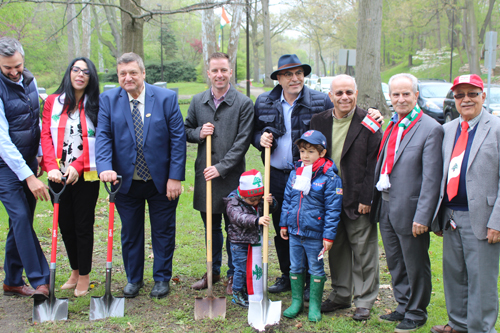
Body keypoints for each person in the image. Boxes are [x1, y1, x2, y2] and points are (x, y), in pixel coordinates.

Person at [96, 52, 186, 299]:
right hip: (125, 182)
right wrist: (104, 165)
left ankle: (161, 278)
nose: (128, 78)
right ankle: (133, 279)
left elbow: (178, 139)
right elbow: (103, 135)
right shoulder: (108, 100)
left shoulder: (166, 98)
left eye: (133, 72)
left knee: (163, 231)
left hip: (162, 182)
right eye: (123, 73)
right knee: (130, 233)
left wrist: (175, 177)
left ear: (143, 74)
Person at [252, 54, 334, 294]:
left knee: (306, 227)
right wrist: (260, 139)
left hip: (307, 175)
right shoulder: (264, 101)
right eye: (288, 74)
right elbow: (255, 132)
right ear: (279, 78)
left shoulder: (320, 101)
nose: (295, 78)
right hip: (276, 174)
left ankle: (310, 278)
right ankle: (288, 274)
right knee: (282, 226)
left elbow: (338, 124)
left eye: (299, 73)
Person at [370, 73, 443, 332]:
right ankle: (402, 304)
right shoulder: (392, 124)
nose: (400, 99)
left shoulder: (430, 128)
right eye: (396, 94)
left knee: (415, 263)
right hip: (387, 205)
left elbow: (432, 178)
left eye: (406, 94)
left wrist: (423, 216)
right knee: (395, 261)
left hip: (412, 209)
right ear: (390, 97)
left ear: (416, 95)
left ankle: (417, 311)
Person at [431, 74, 500, 333]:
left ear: (483, 96)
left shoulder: (496, 128)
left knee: (481, 279)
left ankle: (481, 329)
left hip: (482, 216)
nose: (466, 99)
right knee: (454, 274)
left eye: (472, 93)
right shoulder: (448, 129)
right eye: (460, 95)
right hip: (451, 215)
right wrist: (438, 215)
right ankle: (458, 325)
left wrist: (497, 221)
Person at [310, 74, 381, 321]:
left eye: (349, 92)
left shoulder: (369, 122)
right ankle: (341, 294)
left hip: (357, 197)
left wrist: (367, 198)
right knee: (336, 248)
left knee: (363, 250)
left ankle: (364, 299)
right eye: (339, 93)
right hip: (328, 198)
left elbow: (374, 163)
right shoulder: (317, 121)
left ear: (356, 94)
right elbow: (311, 157)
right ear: (330, 96)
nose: (344, 97)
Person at [185, 52, 254, 294]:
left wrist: (221, 168)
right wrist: (198, 134)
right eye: (215, 70)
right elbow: (186, 130)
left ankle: (233, 275)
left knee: (234, 229)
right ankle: (212, 270)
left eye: (223, 70)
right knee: (210, 229)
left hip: (232, 178)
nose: (219, 75)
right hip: (206, 178)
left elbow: (243, 142)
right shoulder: (197, 101)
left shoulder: (243, 103)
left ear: (230, 71)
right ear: (208, 72)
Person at [40, 57, 100, 297]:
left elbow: (101, 138)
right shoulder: (52, 102)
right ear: (69, 72)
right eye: (76, 69)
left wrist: (79, 165)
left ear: (91, 77)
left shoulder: (96, 103)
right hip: (57, 174)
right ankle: (74, 271)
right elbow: (45, 135)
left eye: (86, 72)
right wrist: (50, 166)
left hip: (86, 174)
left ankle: (85, 274)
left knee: (83, 225)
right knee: (65, 226)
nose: (80, 74)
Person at [0, 37, 51, 300]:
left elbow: (35, 122)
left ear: (23, 58)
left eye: (17, 65)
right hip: (4, 167)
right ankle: (41, 280)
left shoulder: (29, 81)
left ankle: (11, 281)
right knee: (20, 218)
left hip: (29, 162)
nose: (13, 71)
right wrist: (29, 176)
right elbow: (3, 141)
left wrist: (40, 155)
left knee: (20, 223)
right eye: (7, 67)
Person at [280, 130, 342, 322]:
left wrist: (328, 236)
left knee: (315, 268)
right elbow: (288, 200)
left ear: (322, 153)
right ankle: (297, 301)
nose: (305, 156)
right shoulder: (295, 173)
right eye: (302, 151)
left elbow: (333, 210)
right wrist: (284, 222)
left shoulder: (329, 178)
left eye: (310, 151)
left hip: (315, 234)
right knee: (295, 266)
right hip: (295, 231)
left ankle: (314, 305)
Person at [223, 169, 276, 307]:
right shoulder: (233, 202)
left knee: (252, 267)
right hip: (239, 242)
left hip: (254, 241)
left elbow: (271, 209)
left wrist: (271, 202)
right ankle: (237, 294)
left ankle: (249, 290)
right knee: (240, 269)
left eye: (258, 199)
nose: (255, 202)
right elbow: (238, 218)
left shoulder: (258, 198)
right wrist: (256, 220)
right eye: (252, 200)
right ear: (243, 196)